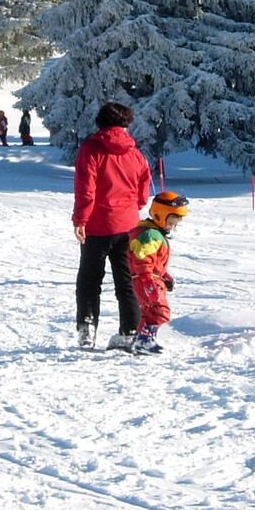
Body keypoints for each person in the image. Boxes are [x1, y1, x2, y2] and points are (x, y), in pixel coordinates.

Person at [72, 101, 152, 350]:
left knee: (89, 279)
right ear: (125, 124)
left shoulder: (91, 149)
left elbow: (87, 189)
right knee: (126, 281)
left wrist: (80, 220)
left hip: (97, 225)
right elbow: (143, 187)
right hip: (128, 224)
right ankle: (129, 331)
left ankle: (87, 329)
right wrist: (132, 207)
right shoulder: (134, 152)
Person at [127, 191, 188, 354]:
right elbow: (143, 260)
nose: (172, 227)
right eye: (170, 222)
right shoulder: (149, 235)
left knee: (149, 311)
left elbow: (155, 263)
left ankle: (141, 338)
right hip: (145, 280)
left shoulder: (154, 234)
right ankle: (145, 340)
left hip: (151, 278)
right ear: (159, 215)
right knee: (161, 311)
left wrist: (165, 276)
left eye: (175, 224)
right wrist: (148, 281)